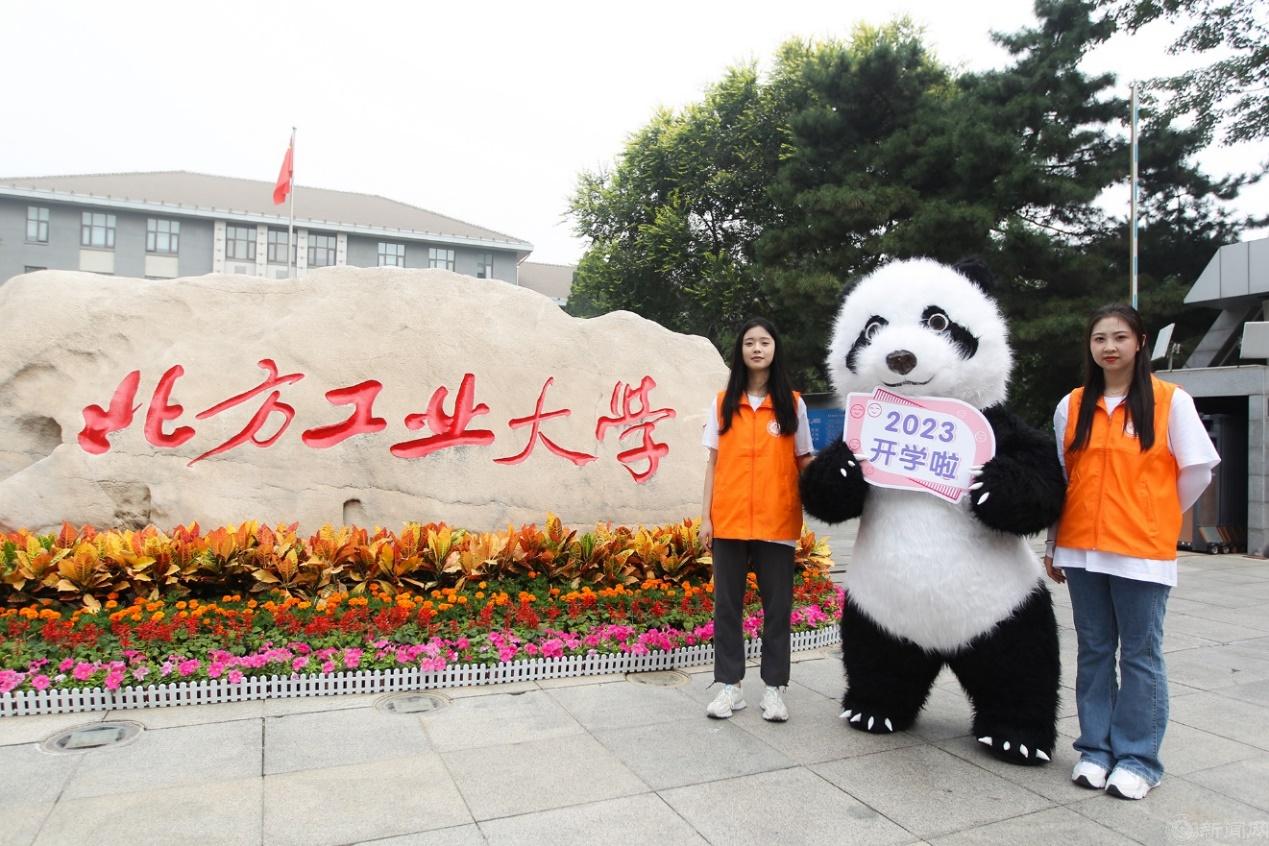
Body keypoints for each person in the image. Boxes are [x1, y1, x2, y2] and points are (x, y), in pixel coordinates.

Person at [1044, 303, 1219, 800]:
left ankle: (1140, 760)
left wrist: (1153, 514)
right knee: (1095, 651)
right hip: (1082, 550)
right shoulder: (1073, 405)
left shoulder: (1170, 402)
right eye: (1100, 338)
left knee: (1140, 655)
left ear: (1140, 343)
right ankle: (1095, 751)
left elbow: (1197, 472)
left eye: (1120, 337)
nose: (1110, 347)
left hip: (1141, 552)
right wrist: (1054, 543)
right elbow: (1063, 478)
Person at [700, 317, 814, 722]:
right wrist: (706, 518)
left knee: (777, 609)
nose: (757, 349)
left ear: (774, 349)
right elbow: (713, 464)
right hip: (729, 520)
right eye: (749, 342)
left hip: (777, 521)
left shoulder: (792, 404)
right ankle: (730, 687)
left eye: (764, 342)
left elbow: (805, 460)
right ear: (741, 351)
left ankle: (774, 689)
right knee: (727, 608)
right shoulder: (722, 403)